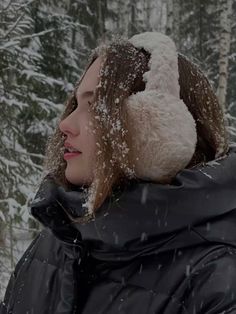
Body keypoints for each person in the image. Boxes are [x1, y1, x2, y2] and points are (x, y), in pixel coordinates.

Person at [1, 32, 236, 314]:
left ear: (156, 131)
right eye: (76, 104)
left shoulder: (216, 280)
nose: (65, 124)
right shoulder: (54, 244)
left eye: (95, 106)